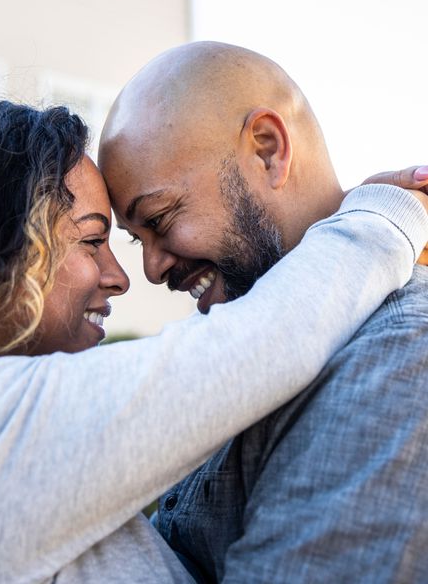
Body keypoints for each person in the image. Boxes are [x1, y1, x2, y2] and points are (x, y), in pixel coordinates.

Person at [0, 100, 425, 584]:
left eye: (155, 223)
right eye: (93, 241)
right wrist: (383, 215)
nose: (123, 276)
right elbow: (261, 345)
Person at [98, 41, 428, 583]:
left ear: (269, 149)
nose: (152, 269)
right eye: (136, 241)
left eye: (159, 218)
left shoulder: (397, 356)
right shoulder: (243, 349)